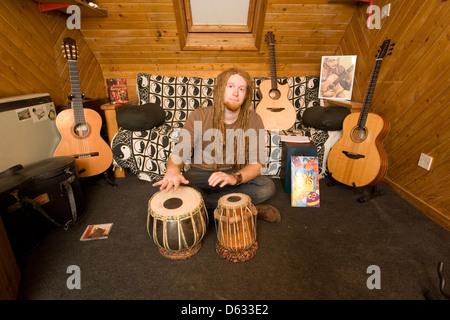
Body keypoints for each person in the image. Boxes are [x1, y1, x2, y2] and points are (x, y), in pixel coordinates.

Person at [152, 67, 281, 222]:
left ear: (246, 94)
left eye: (241, 89)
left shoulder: (254, 119)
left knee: (266, 187)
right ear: (220, 89)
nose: (236, 93)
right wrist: (173, 170)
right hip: (201, 175)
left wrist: (235, 178)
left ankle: (207, 210)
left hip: (234, 174)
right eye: (231, 87)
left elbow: (256, 164)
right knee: (177, 190)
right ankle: (242, 208)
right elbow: (180, 152)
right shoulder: (199, 115)